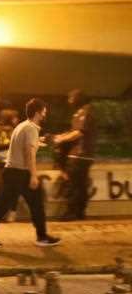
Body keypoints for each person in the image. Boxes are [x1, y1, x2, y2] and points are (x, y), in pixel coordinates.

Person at [0, 98, 61, 249]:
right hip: (20, 173)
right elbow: (29, 153)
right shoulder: (31, 129)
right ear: (37, 113)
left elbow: (23, 145)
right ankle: (41, 237)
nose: (45, 114)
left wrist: (40, 140)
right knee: (31, 205)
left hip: (13, 171)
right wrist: (33, 175)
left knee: (9, 205)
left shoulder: (22, 126)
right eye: (44, 111)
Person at [52, 90, 96, 221]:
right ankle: (80, 212)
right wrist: (62, 135)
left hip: (78, 154)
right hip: (84, 155)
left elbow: (79, 132)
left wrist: (61, 139)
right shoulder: (84, 111)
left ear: (78, 98)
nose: (69, 101)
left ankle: (71, 212)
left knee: (73, 184)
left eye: (71, 98)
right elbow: (74, 131)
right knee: (81, 185)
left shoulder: (85, 112)